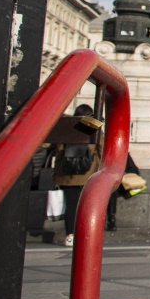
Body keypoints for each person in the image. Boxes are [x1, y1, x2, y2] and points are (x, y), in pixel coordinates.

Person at [48, 104, 102, 247]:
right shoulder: (95, 129)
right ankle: (86, 235)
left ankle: (69, 236)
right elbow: (101, 150)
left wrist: (56, 175)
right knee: (88, 206)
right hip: (89, 174)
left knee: (71, 206)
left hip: (68, 175)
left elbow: (59, 152)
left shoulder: (68, 129)